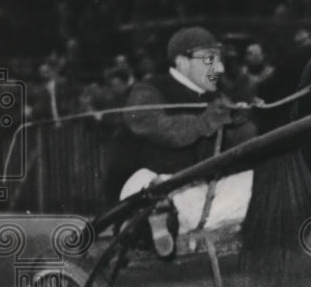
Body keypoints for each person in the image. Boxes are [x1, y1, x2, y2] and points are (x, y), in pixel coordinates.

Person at [107, 26, 258, 257]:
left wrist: (247, 118)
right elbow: (160, 128)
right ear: (182, 62)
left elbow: (243, 140)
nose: (220, 68)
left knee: (262, 179)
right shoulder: (148, 90)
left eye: (220, 60)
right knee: (147, 180)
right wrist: (204, 122)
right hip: (147, 193)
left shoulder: (217, 97)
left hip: (201, 197)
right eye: (210, 60)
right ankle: (159, 222)